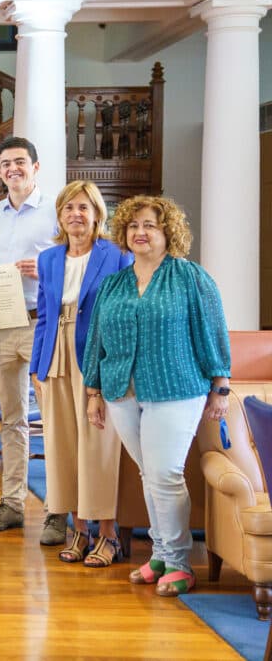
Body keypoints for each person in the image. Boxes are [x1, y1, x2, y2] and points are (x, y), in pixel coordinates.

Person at [84, 195, 230, 596]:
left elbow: (212, 331)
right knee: (151, 475)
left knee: (165, 474)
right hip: (121, 392)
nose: (140, 233)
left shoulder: (189, 277)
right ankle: (161, 555)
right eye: (133, 226)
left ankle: (180, 562)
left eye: (149, 225)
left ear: (168, 232)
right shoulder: (114, 283)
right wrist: (93, 391)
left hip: (176, 388)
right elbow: (97, 339)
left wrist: (220, 385)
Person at [29, 181, 132, 565]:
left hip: (96, 355)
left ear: (97, 215)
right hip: (55, 355)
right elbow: (43, 315)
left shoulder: (116, 254)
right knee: (62, 446)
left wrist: (109, 372)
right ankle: (79, 531)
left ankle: (108, 535)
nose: (76, 214)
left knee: (97, 445)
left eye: (84, 208)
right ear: (59, 215)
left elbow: (120, 314)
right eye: (69, 207)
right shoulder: (49, 259)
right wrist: (38, 368)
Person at [0, 136, 59, 535]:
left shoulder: (57, 210)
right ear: (0, 171)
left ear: (36, 166)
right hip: (3, 323)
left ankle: (58, 510)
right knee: (12, 419)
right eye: (6, 164)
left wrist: (45, 270)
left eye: (20, 162)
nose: (13, 169)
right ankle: (12, 504)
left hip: (43, 322)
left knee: (55, 419)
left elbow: (77, 261)